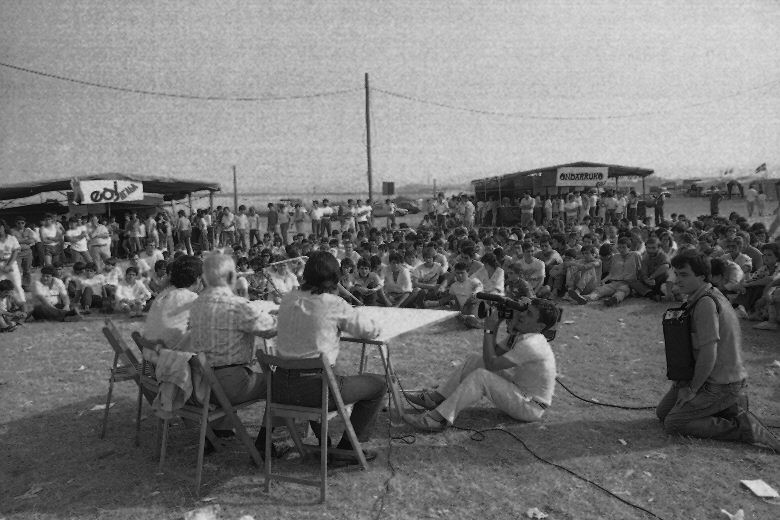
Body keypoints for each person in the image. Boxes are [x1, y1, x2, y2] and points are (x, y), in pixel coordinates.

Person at [656, 250, 780, 451]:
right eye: (677, 274)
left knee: (674, 423)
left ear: (702, 276)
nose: (678, 280)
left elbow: (708, 354)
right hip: (707, 378)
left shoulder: (705, 303)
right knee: (663, 413)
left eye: (684, 275)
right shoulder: (701, 296)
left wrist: (692, 390)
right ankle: (728, 409)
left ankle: (741, 427)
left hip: (721, 384)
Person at [274, 251, 385, 463]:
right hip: (316, 391)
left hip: (280, 388)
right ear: (334, 277)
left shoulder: (287, 300)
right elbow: (368, 331)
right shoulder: (333, 303)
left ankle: (327, 444)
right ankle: (348, 448)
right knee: (378, 384)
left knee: (325, 372)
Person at [403, 297, 559, 432]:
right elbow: (492, 354)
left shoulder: (532, 344)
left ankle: (439, 419)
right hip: (520, 391)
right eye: (525, 310)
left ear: (540, 327)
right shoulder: (522, 336)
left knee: (481, 376)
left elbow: (491, 364)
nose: (522, 315)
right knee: (475, 360)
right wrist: (500, 327)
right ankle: (436, 399)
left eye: (529, 314)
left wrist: (489, 330)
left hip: (531, 407)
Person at [144, 255, 202, 349]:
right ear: (197, 278)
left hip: (151, 354)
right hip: (172, 358)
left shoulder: (164, 294)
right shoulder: (192, 299)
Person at [0, 223, 25, 303]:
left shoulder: (12, 238)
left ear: (3, 227)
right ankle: (3, 308)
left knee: (17, 285)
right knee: (1, 287)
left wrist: (8, 265)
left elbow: (15, 252)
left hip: (12, 264)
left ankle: (22, 305)